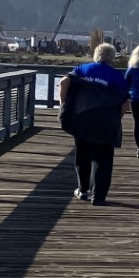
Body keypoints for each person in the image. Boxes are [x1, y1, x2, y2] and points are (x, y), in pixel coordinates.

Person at [57, 42, 130, 205]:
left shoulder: (82, 69)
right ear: (112, 59)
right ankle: (99, 197)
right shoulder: (117, 77)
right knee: (103, 159)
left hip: (82, 119)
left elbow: (63, 83)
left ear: (96, 56)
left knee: (83, 155)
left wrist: (64, 105)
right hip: (106, 122)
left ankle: (82, 190)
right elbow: (125, 104)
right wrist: (116, 118)